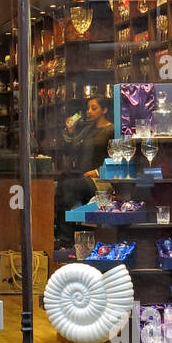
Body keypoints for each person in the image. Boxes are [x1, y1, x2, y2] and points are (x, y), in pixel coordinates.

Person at [54, 95, 114, 247]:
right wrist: (70, 131)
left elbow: (118, 157)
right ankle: (65, 235)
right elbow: (71, 149)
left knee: (68, 186)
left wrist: (98, 171)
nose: (89, 111)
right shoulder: (88, 129)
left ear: (104, 110)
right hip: (85, 177)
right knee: (63, 184)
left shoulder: (112, 130)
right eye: (88, 108)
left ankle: (65, 237)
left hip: (102, 180)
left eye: (94, 108)